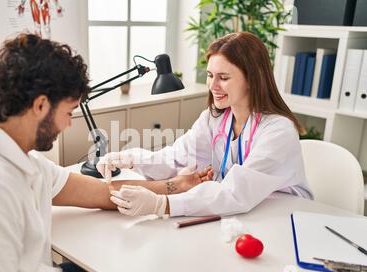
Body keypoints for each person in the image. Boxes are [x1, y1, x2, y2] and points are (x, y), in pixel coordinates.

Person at [0, 33, 208, 272]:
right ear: (41, 105)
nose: (71, 123)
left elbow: (102, 193)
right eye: (69, 112)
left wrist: (174, 187)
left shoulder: (21, 161)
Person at [98, 32, 313, 218]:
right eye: (210, 75)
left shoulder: (278, 131)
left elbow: (236, 192)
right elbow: (177, 157)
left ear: (252, 78)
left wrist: (163, 205)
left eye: (224, 77)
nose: (213, 85)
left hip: (282, 219)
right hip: (241, 216)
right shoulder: (215, 118)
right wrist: (130, 158)